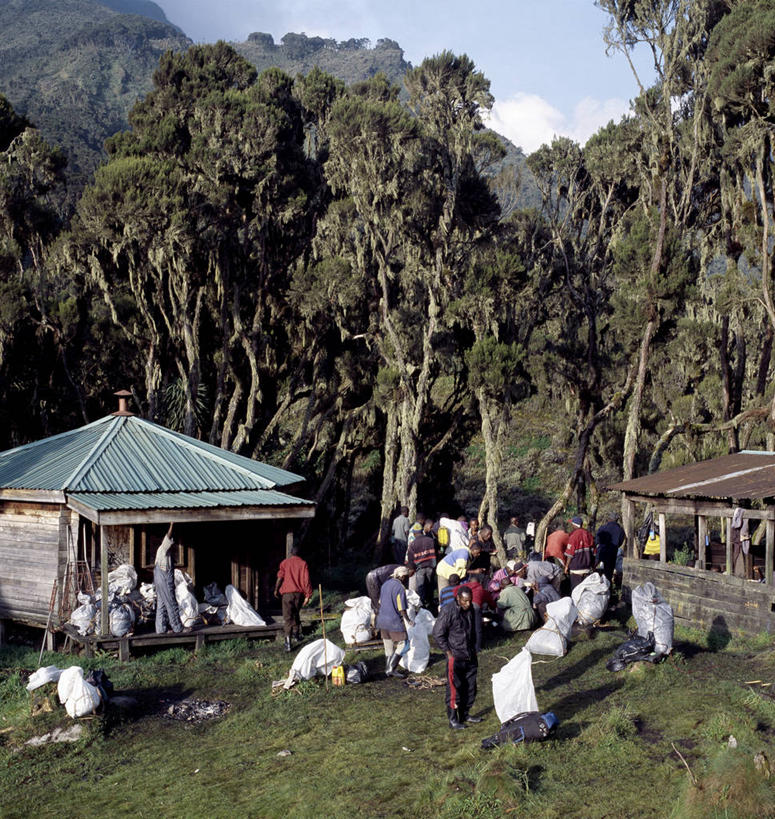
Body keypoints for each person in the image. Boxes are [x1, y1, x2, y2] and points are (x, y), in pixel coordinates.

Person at [432, 585, 480, 730]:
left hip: (470, 655)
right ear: (458, 598)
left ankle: (465, 714)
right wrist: (448, 652)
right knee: (454, 689)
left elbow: (474, 630)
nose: (468, 604)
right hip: (455, 656)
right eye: (465, 601)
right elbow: (437, 633)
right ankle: (453, 719)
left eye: (469, 600)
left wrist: (475, 648)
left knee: (470, 687)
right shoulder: (448, 611)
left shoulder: (472, 609)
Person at [376, 566, 414, 677]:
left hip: (382, 620)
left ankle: (387, 669)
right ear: (402, 577)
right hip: (393, 621)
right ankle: (391, 669)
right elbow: (401, 607)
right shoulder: (399, 587)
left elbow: (380, 602)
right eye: (406, 577)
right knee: (405, 644)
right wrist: (408, 620)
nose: (407, 579)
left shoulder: (385, 585)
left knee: (388, 646)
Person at [274, 545, 313, 652]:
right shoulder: (303, 563)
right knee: (295, 613)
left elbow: (280, 578)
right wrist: (308, 595)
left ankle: (288, 643)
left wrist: (276, 589)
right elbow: (306, 580)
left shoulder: (285, 563)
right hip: (299, 594)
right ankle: (296, 635)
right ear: (300, 554)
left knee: (288, 618)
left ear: (291, 553)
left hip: (287, 594)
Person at [154, 527, 184, 634]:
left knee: (161, 605)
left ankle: (161, 629)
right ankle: (178, 627)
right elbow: (168, 536)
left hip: (159, 580)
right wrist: (172, 524)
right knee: (171, 603)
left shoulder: (165, 553)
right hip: (164, 579)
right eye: (172, 543)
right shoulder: (163, 548)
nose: (173, 545)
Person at [406, 519, 437, 608]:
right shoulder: (430, 540)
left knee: (421, 586)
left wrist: (412, 569)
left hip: (420, 568)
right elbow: (436, 552)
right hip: (431, 566)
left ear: (414, 534)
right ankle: (430, 602)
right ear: (421, 531)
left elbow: (410, 559)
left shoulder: (413, 544)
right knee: (430, 585)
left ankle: (422, 605)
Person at [564, 516, 594, 590]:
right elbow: (593, 552)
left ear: (574, 525)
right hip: (587, 568)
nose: (571, 525)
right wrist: (593, 565)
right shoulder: (588, 534)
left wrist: (566, 566)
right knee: (585, 591)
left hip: (576, 569)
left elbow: (570, 554)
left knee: (576, 591)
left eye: (572, 524)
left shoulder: (573, 536)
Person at [596, 515, 626, 582]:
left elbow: (597, 539)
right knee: (609, 574)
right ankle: (608, 585)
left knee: (596, 569)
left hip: (601, 552)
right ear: (616, 520)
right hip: (612, 553)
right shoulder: (620, 530)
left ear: (609, 519)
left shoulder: (603, 527)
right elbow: (620, 541)